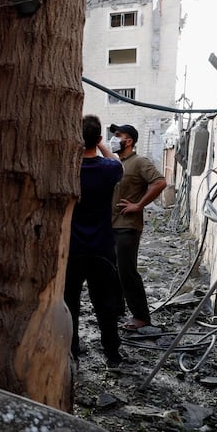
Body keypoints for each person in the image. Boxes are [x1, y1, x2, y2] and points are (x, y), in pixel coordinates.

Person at [64, 115, 125, 369]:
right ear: (99, 139)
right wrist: (101, 145)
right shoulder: (109, 169)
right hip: (102, 247)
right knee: (105, 303)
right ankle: (112, 354)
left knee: (70, 303)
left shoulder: (67, 170)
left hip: (72, 248)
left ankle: (72, 352)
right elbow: (117, 161)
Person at [109, 123, 167, 331]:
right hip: (113, 226)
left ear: (129, 140)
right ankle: (118, 311)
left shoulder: (139, 161)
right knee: (114, 271)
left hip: (128, 227)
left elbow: (160, 182)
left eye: (118, 135)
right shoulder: (116, 163)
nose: (114, 139)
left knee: (127, 272)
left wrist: (139, 205)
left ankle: (141, 317)